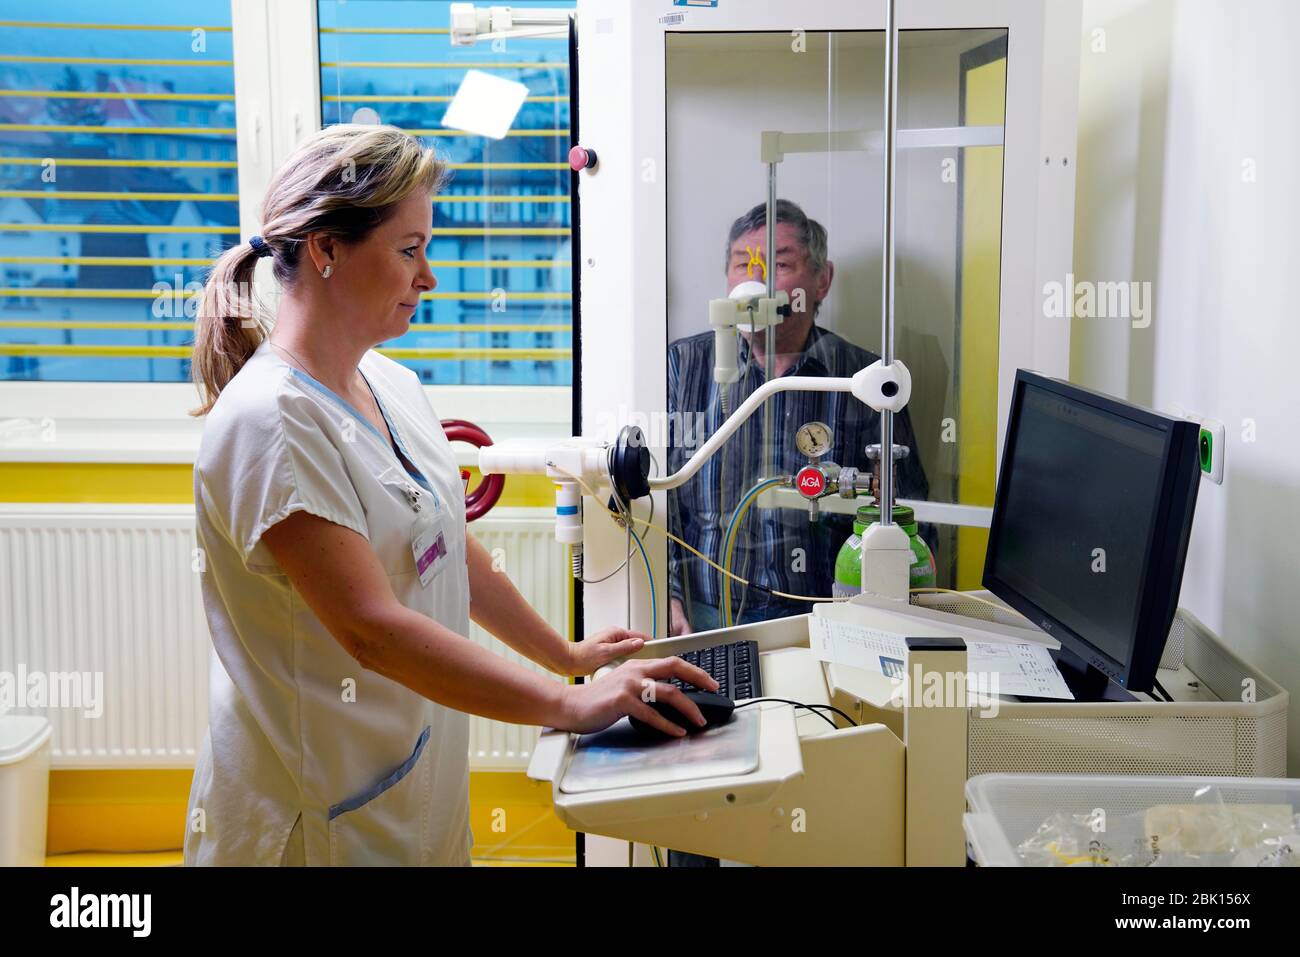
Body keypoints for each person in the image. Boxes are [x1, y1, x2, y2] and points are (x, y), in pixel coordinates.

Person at [184, 125, 715, 866]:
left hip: (409, 788)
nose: (428, 277)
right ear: (327, 249)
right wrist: (568, 703)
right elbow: (372, 628)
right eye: (409, 250)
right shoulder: (273, 422)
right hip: (315, 817)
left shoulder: (390, 385)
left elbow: (444, 542)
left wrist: (565, 654)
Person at [667, 200, 930, 636]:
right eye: (742, 265)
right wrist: (670, 593)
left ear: (822, 280)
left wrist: (891, 616)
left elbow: (908, 508)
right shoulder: (684, 365)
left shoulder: (865, 380)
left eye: (779, 264)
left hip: (826, 615)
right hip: (705, 613)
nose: (756, 281)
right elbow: (659, 501)